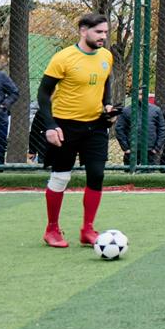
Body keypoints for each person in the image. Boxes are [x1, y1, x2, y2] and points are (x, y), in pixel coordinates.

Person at [35, 13, 117, 248]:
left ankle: (87, 229)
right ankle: (52, 229)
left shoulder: (106, 56)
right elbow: (43, 94)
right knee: (61, 177)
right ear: (83, 31)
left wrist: (108, 104)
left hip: (96, 126)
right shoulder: (63, 58)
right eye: (98, 32)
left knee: (97, 174)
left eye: (105, 32)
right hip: (65, 126)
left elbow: (105, 82)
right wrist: (50, 126)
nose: (103, 36)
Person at [115, 100, 165, 167]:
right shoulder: (126, 110)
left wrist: (156, 148)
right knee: (130, 174)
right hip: (132, 150)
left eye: (142, 93)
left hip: (149, 150)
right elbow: (119, 129)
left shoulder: (156, 110)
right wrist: (126, 148)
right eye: (139, 94)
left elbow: (161, 129)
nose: (141, 96)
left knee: (148, 174)